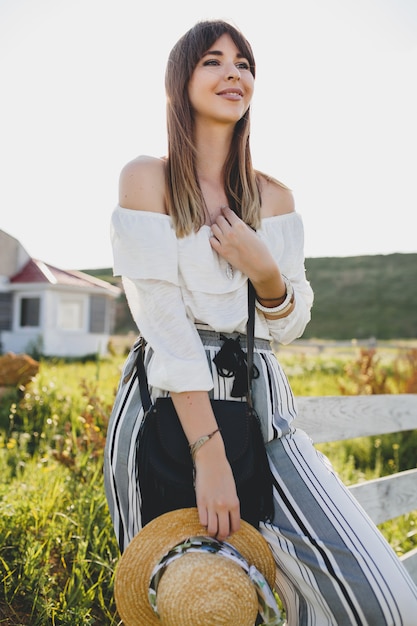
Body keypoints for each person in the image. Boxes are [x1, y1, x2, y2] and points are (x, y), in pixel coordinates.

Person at [104, 19, 417, 625]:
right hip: (168, 401)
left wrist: (264, 269)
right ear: (180, 81)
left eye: (244, 64)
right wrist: (210, 455)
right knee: (186, 596)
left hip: (259, 396)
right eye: (213, 61)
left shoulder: (274, 198)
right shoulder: (148, 179)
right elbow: (164, 325)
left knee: (383, 601)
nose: (233, 73)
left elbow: (290, 322)